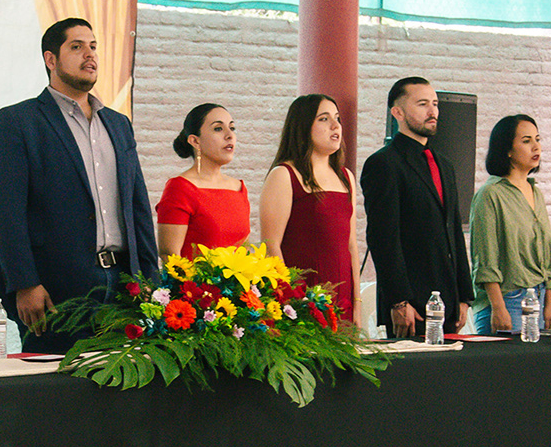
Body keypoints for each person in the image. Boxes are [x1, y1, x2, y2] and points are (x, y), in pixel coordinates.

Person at [0, 18, 157, 352]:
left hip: (123, 286)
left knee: (119, 379)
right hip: (52, 290)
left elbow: (137, 207)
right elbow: (5, 211)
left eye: (93, 47)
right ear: (51, 59)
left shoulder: (118, 124)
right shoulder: (18, 121)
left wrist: (149, 276)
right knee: (57, 383)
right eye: (76, 47)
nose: (89, 55)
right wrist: (25, 283)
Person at [360, 77, 472, 338]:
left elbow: (454, 231)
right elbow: (383, 238)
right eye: (422, 104)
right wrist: (398, 300)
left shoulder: (444, 164)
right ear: (397, 112)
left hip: (448, 298)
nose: (433, 111)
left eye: (435, 104)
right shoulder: (384, 163)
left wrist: (464, 296)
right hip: (411, 302)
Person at [260, 93, 358, 323]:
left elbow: (351, 245)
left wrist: (358, 303)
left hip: (343, 298)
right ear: (303, 127)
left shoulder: (346, 177)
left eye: (337, 118)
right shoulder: (284, 174)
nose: (335, 125)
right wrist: (291, 301)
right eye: (324, 119)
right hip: (302, 300)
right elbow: (271, 245)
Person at [468, 114, 551, 335]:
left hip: (537, 297)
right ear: (507, 150)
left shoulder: (535, 192)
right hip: (507, 298)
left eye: (537, 139)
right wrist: (498, 307)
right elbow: (485, 256)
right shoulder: (490, 194)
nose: (536, 147)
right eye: (526, 141)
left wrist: (548, 301)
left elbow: (545, 253)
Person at [156, 103, 249, 257]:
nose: (229, 135)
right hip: (193, 273)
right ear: (195, 141)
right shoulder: (180, 188)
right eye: (218, 129)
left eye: (232, 128)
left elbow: (244, 251)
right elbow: (169, 255)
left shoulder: (238, 187)